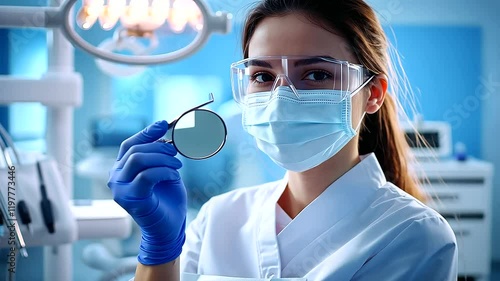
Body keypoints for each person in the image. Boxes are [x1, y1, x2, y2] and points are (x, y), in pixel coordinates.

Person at [107, 0, 458, 280]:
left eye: (317, 74)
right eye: (262, 75)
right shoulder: (219, 217)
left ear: (373, 94)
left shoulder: (414, 235)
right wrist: (159, 249)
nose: (281, 98)